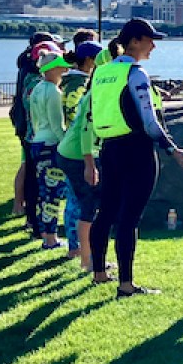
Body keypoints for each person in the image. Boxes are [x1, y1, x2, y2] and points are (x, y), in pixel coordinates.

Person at [88, 19, 183, 297]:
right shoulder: (136, 73)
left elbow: (92, 113)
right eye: (150, 39)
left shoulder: (101, 72)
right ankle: (126, 284)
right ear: (135, 41)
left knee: (106, 212)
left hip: (109, 148)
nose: (154, 45)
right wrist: (174, 151)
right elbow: (149, 123)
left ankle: (99, 273)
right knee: (129, 218)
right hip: (137, 150)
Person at [57, 42, 116, 271]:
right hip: (76, 155)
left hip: (75, 152)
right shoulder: (97, 94)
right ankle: (87, 260)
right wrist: (89, 164)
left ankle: (88, 258)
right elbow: (86, 129)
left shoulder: (95, 89)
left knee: (88, 206)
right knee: (88, 208)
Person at [11, 31, 65, 235]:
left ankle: (35, 223)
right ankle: (44, 231)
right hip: (46, 141)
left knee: (39, 184)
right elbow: (55, 122)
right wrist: (64, 144)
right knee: (48, 189)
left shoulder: (33, 83)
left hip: (34, 138)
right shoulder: (49, 89)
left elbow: (32, 114)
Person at [58, 41, 102, 257]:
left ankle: (79, 250)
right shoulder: (82, 87)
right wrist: (89, 162)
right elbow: (84, 125)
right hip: (76, 152)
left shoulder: (73, 83)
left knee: (77, 201)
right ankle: (82, 253)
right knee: (85, 204)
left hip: (69, 148)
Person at [29, 49, 73, 250]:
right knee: (53, 193)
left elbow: (36, 120)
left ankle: (45, 233)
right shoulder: (53, 92)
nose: (65, 69)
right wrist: (67, 144)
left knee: (44, 191)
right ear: (53, 69)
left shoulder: (37, 89)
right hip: (51, 145)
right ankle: (50, 238)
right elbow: (57, 124)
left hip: (38, 142)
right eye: (62, 66)